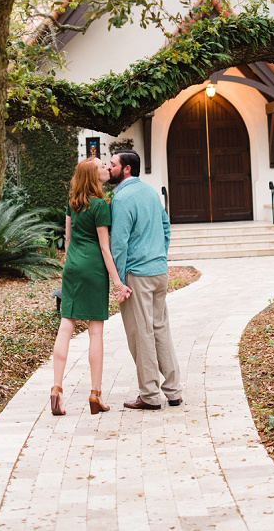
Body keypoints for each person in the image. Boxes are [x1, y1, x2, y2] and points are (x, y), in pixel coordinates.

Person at [50, 157, 131, 416]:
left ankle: (56, 389)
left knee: (66, 326)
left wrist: (71, 263)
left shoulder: (72, 203)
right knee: (95, 332)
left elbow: (68, 240)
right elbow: (105, 249)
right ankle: (95, 394)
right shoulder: (100, 206)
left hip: (72, 267)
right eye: (102, 167)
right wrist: (118, 283)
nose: (107, 168)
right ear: (94, 176)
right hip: (94, 269)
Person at [108, 149, 183, 409]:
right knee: (160, 329)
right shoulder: (151, 192)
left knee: (141, 334)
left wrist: (117, 282)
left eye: (113, 164)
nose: (109, 169)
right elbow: (166, 226)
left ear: (126, 169)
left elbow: (118, 243)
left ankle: (150, 396)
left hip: (137, 275)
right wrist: (160, 253)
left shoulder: (121, 199)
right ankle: (174, 391)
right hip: (159, 272)